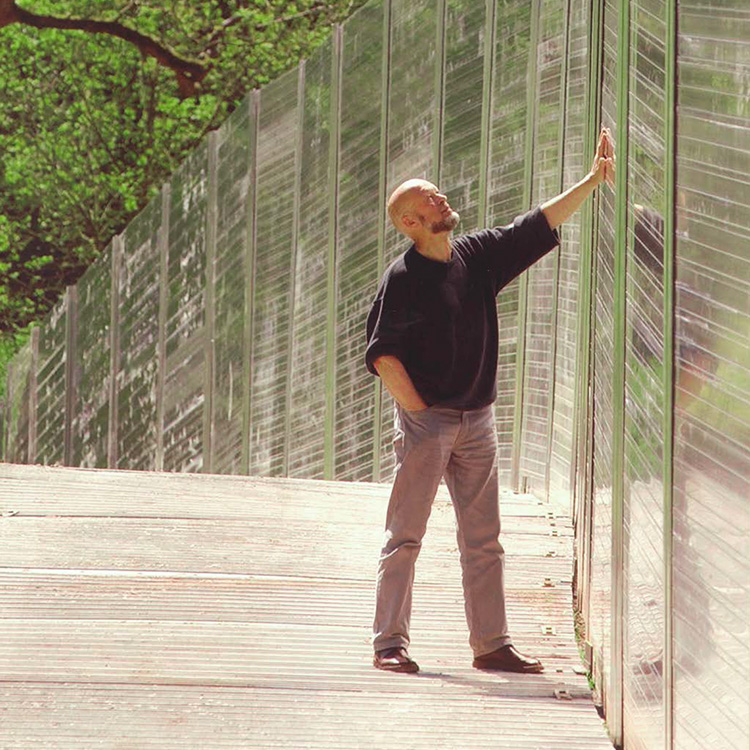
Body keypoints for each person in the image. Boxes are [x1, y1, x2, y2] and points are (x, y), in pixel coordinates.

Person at [364, 127, 615, 673]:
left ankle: (491, 645)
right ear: (410, 222)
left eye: (437, 192)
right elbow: (383, 356)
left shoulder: (474, 256)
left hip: (478, 421)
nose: (441, 198)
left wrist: (593, 181)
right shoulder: (402, 279)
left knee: (484, 541)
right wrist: (420, 414)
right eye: (428, 198)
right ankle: (389, 644)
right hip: (428, 425)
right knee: (406, 535)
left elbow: (537, 223)